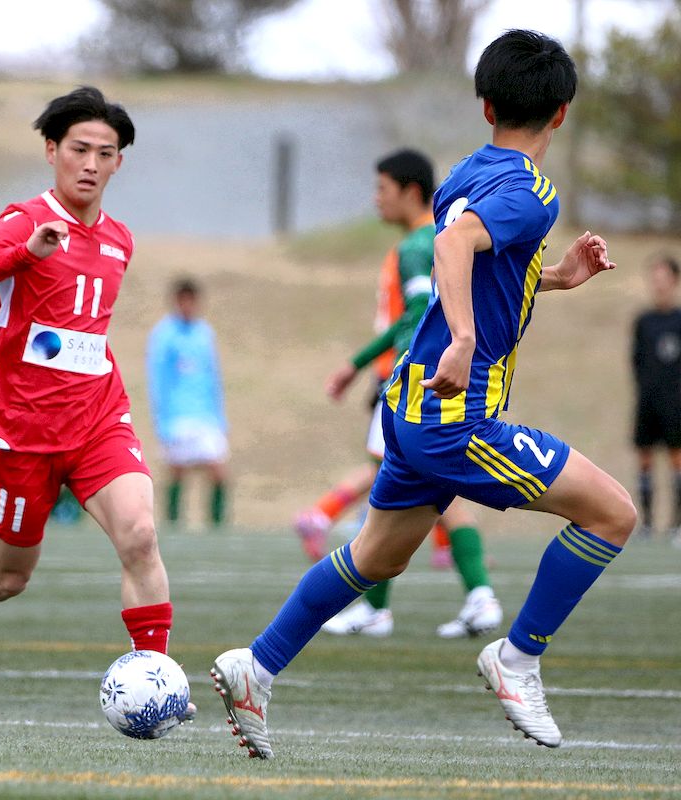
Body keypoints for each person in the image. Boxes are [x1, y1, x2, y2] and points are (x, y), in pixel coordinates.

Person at [213, 30, 630, 759]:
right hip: (455, 416)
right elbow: (452, 248)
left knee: (376, 557)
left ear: (485, 105)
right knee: (613, 514)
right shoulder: (535, 191)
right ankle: (518, 657)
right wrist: (464, 340)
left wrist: (560, 275)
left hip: (408, 403)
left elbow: (485, 264)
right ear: (561, 113)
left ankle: (258, 665)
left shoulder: (464, 173)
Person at [0, 87, 185, 718]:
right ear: (51, 151)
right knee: (9, 576)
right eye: (79, 149)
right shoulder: (24, 219)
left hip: (98, 418)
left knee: (140, 535)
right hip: (26, 431)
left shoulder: (120, 239)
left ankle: (157, 682)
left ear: (119, 162)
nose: (91, 164)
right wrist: (26, 252)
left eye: (105, 153)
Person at [310, 150, 501, 639]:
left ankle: (386, 607)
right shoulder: (436, 240)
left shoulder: (418, 246)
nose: (376, 198)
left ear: (411, 191)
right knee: (420, 492)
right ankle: (472, 596)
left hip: (409, 383)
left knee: (396, 492)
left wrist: (357, 365)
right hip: (424, 382)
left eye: (382, 188)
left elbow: (416, 315)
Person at [146, 278, 230, 527]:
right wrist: (162, 420)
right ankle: (172, 524)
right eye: (183, 300)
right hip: (177, 416)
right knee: (177, 471)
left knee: (218, 471)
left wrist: (220, 417)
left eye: (191, 301)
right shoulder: (164, 334)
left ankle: (217, 527)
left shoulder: (204, 333)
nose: (187, 305)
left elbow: (213, 376)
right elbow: (157, 378)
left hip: (205, 415)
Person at [630, 256, 681, 542]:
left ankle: (676, 526)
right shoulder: (643, 321)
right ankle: (647, 524)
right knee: (645, 460)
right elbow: (636, 361)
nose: (659, 284)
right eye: (655, 278)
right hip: (648, 402)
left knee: (677, 460)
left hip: (675, 404)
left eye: (664, 278)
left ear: (674, 281)